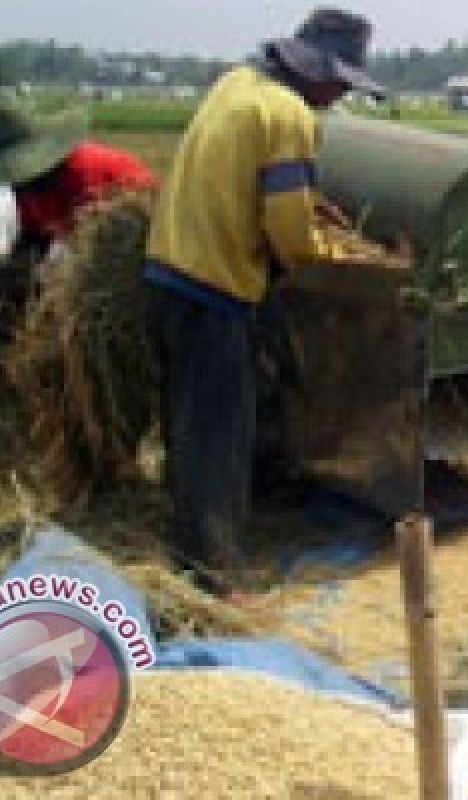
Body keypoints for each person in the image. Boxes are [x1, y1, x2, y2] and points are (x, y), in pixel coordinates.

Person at [143, 7, 386, 596]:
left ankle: (184, 546)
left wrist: (308, 204)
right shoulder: (290, 115)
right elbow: (290, 237)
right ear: (317, 71)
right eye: (340, 83)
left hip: (167, 272)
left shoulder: (237, 85)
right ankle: (215, 579)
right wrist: (334, 252)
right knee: (220, 437)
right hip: (215, 287)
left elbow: (256, 183)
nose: (338, 96)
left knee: (188, 424)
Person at [0, 92, 154, 258]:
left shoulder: (82, 176)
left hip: (140, 241)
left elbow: (96, 249)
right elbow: (34, 237)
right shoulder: (25, 185)